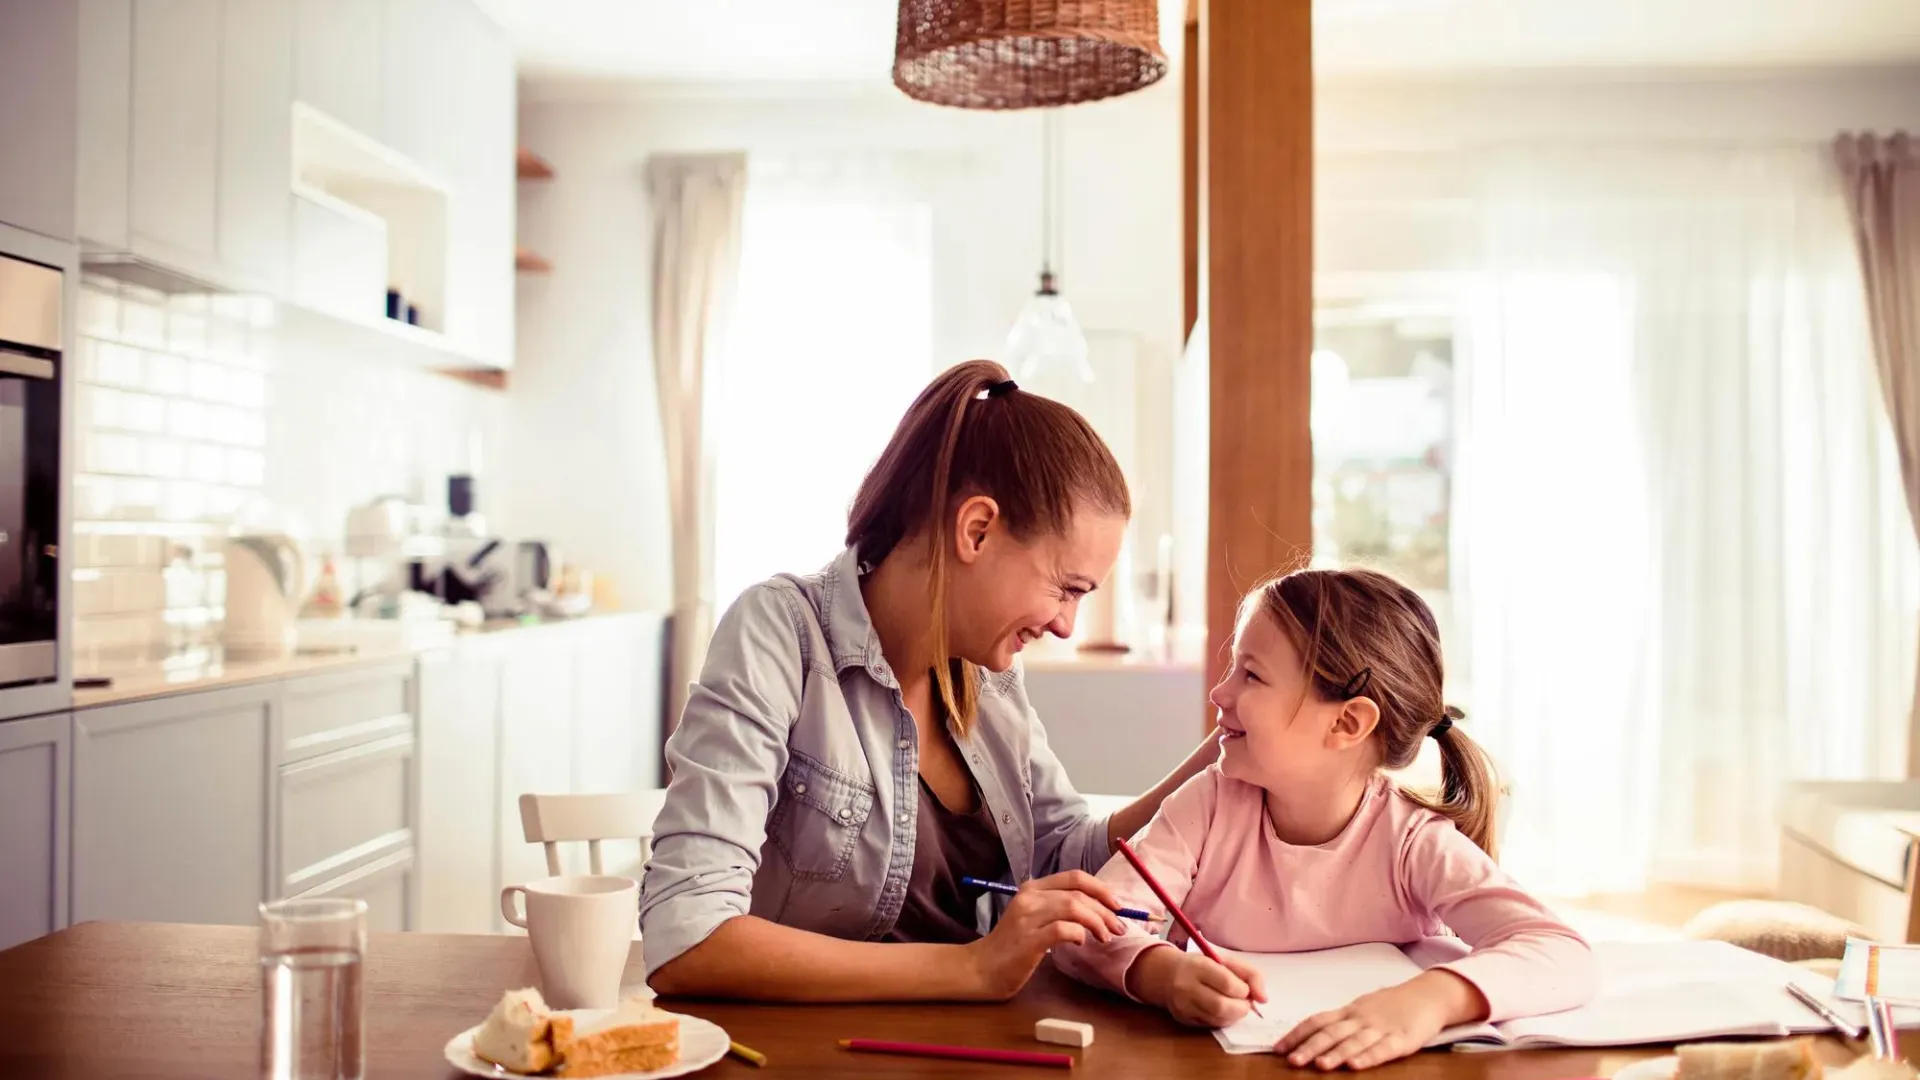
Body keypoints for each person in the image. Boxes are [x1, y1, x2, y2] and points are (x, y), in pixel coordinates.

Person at [639, 359, 1224, 1002]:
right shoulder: (781, 632)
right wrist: (972, 970)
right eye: (1067, 589)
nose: (1066, 625)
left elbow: (1065, 856)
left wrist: (1221, 751)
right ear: (977, 530)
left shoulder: (987, 673)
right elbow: (686, 932)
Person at [1052, 567, 1597, 1070]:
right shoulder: (1206, 807)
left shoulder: (1413, 842)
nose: (1220, 693)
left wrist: (1425, 1003)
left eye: (1253, 676)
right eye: (1231, 668)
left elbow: (1559, 951)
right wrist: (1163, 975)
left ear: (1347, 723)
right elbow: (1084, 931)